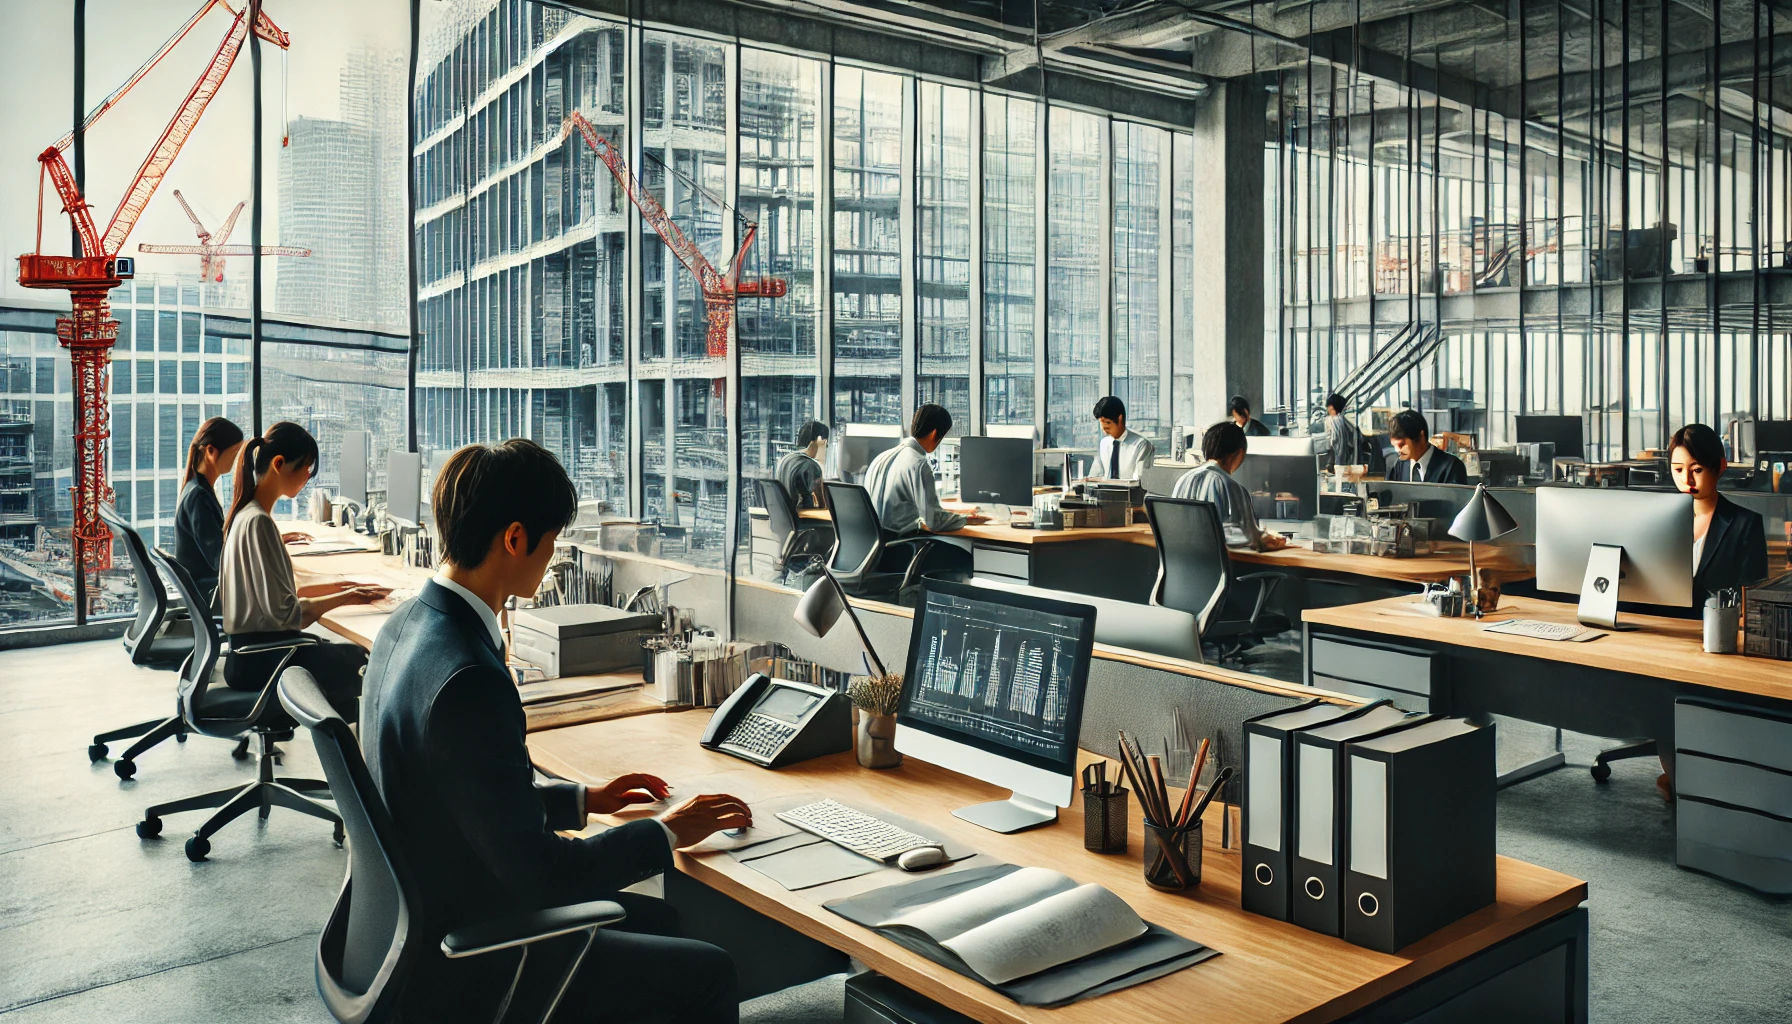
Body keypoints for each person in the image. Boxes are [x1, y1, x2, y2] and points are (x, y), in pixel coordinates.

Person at [359, 439, 748, 1022]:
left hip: (404, 927)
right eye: (551, 540)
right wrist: (665, 834)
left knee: (664, 923)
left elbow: (455, 792)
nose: (554, 554)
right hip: (469, 955)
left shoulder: (405, 626)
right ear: (515, 539)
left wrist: (582, 799)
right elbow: (544, 877)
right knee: (711, 972)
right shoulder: (469, 677)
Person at [218, 422, 382, 718]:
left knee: (343, 653)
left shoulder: (247, 515)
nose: (309, 477)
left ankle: (347, 744)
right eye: (306, 468)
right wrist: (346, 597)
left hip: (248, 656)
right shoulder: (259, 523)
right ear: (279, 464)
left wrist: (347, 590)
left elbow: (284, 596)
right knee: (363, 658)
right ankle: (361, 753)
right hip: (265, 660)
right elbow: (289, 615)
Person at [1671, 423, 1769, 609]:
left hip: (1718, 628)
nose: (1686, 480)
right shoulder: (1660, 524)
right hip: (1658, 626)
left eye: (1697, 470)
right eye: (1678, 470)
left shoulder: (1746, 524)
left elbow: (1754, 602)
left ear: (1721, 466)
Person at [1171, 422, 1288, 552]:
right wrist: (1267, 538)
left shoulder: (1182, 481)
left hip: (1183, 568)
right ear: (1240, 452)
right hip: (1222, 569)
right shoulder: (1232, 488)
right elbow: (1250, 542)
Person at [864, 404, 966, 536]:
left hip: (873, 543)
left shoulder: (881, 457)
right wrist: (965, 519)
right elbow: (934, 521)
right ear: (934, 434)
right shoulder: (919, 464)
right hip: (900, 545)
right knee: (963, 555)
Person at [173, 416, 244, 605]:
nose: (236, 460)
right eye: (234, 452)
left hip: (204, 587)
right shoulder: (199, 497)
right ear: (211, 451)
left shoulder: (196, 488)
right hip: (210, 591)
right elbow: (220, 559)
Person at [1384, 409, 1467, 484]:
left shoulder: (1451, 467)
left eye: (1402, 444)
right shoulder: (1397, 467)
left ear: (1421, 437)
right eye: (1394, 445)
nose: (1397, 450)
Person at [1093, 396, 1155, 480]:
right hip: (1104, 492)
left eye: (1108, 423)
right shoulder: (1104, 443)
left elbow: (1138, 482)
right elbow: (1094, 475)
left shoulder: (1141, 445)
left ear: (1120, 419)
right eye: (1101, 423)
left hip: (1129, 492)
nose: (1104, 428)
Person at [775, 420, 829, 509]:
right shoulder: (812, 466)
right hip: (802, 518)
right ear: (818, 441)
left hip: (786, 517)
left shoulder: (785, 460)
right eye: (825, 444)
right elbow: (822, 505)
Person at [1322, 393, 1366, 470]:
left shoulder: (1330, 420)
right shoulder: (1342, 419)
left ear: (1331, 407)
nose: (1327, 410)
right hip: (1345, 459)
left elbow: (1331, 441)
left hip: (1335, 458)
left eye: (1328, 407)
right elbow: (1357, 434)